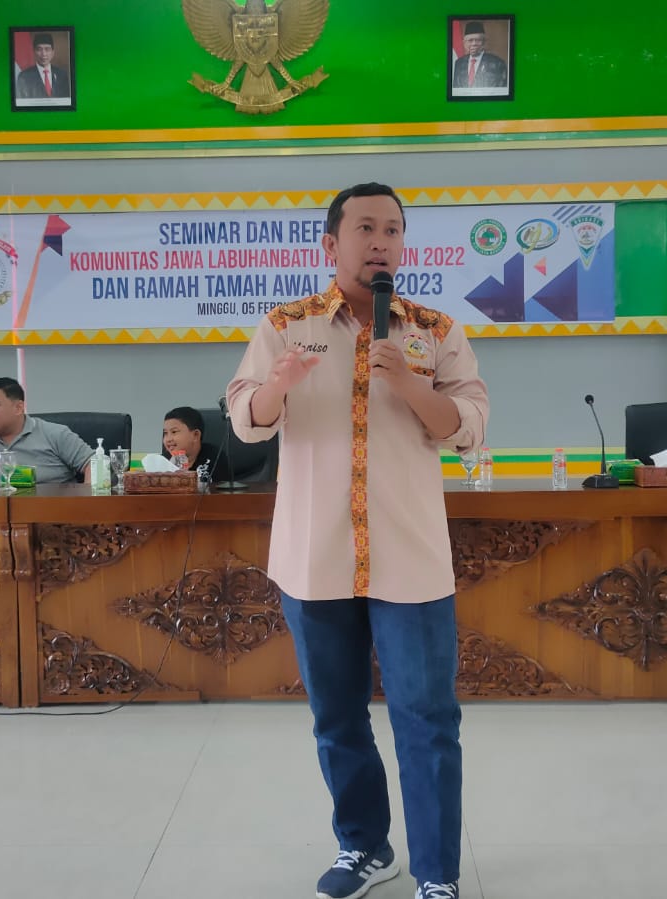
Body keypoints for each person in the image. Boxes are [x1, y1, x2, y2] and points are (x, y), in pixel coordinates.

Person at [226, 183, 488, 899]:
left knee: (427, 720)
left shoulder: (434, 330)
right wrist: (277, 386)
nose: (381, 241)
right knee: (337, 717)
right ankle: (365, 847)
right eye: (365, 228)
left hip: (411, 560)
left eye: (393, 230)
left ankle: (436, 873)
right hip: (315, 558)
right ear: (330, 243)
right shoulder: (287, 325)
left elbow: (467, 425)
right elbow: (245, 416)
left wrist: (409, 382)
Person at [0, 377, 93, 484]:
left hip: (53, 509)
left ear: (18, 408)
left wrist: (88, 503)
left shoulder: (55, 434)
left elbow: (93, 464)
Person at [159, 406, 231, 481]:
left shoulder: (215, 458)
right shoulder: (163, 461)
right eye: (165, 433)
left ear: (195, 435)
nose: (168, 439)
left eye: (174, 432)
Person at [450, 21, 508, 90]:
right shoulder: (459, 63)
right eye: (470, 40)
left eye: (478, 40)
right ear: (464, 43)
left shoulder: (498, 64)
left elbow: (501, 91)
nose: (474, 44)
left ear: (483, 42)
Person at [16, 32, 71, 99]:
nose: (44, 54)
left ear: (53, 52)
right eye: (39, 49)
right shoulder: (24, 77)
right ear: (34, 52)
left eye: (47, 49)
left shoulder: (62, 75)